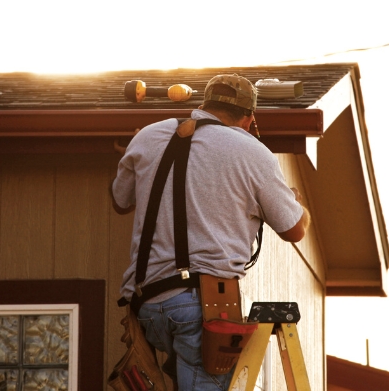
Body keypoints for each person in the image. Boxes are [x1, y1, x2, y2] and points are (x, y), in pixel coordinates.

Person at [110, 73, 310, 391]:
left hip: (146, 307)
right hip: (203, 307)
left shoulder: (147, 136)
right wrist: (297, 203)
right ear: (249, 119)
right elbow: (294, 230)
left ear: (202, 106)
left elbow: (120, 201)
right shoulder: (252, 151)